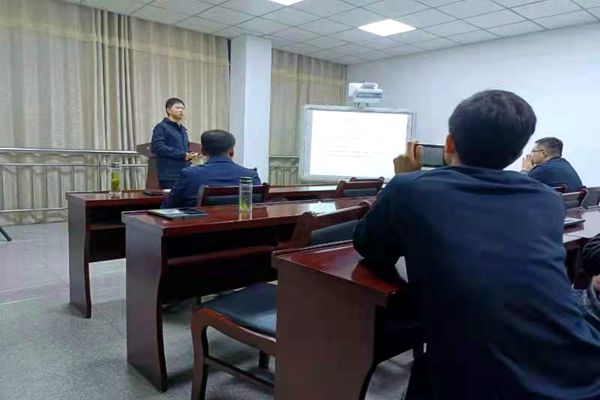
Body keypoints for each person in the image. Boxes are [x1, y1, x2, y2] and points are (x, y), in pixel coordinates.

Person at [353, 90, 600, 400]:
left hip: (479, 380)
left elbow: (370, 247)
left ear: (449, 144)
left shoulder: (410, 190)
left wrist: (404, 179)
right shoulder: (548, 200)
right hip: (582, 370)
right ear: (518, 152)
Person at [162, 129, 260, 208]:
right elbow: (259, 208)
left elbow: (168, 208)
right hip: (244, 226)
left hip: (199, 226)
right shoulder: (251, 176)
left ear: (203, 151)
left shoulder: (189, 174)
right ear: (232, 152)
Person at [151, 97, 198, 189]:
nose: (181, 110)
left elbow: (183, 149)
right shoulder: (161, 127)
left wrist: (190, 154)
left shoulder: (183, 129)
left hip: (184, 172)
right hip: (169, 175)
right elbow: (158, 147)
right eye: (178, 108)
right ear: (168, 110)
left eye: (183, 108)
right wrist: (183, 155)